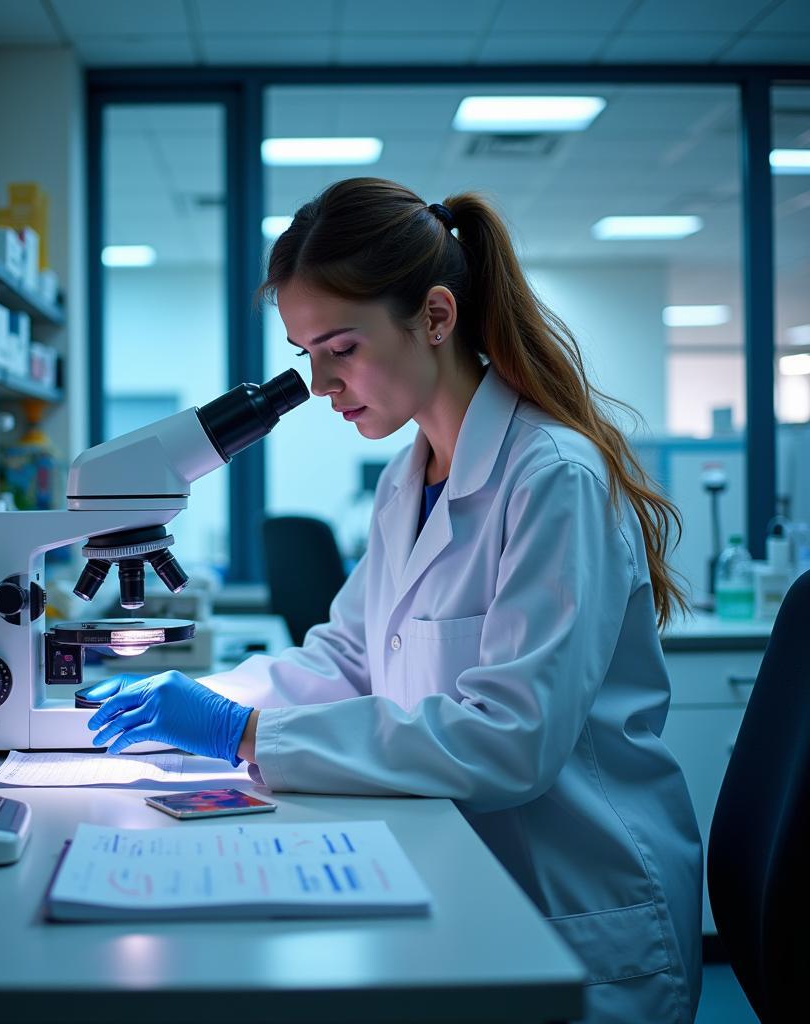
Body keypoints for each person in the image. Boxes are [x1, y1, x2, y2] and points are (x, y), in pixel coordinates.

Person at [88, 177, 703, 1023]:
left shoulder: (552, 478)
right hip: (463, 872)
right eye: (307, 356)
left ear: (437, 318)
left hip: (574, 900)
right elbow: (348, 656)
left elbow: (509, 740)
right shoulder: (408, 478)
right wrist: (220, 700)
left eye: (341, 347)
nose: (321, 385)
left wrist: (242, 734)